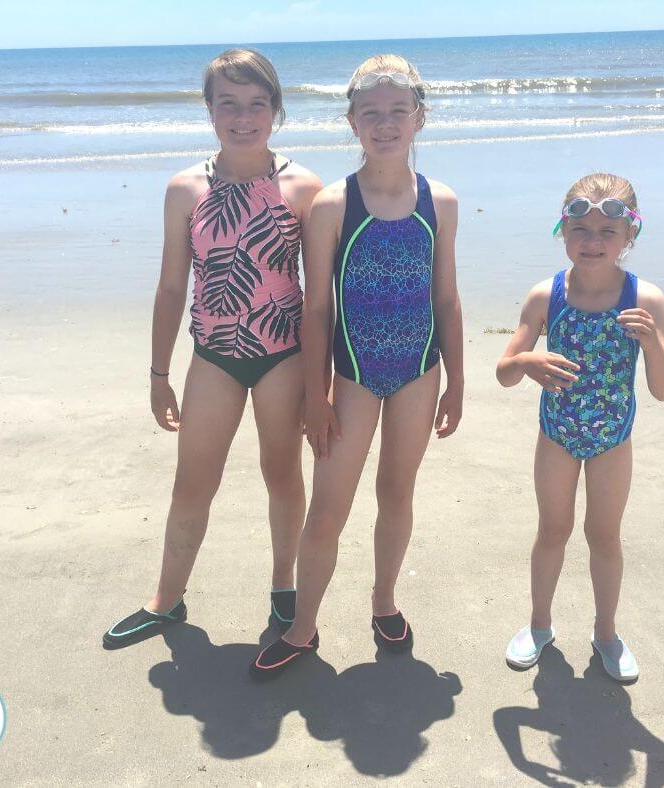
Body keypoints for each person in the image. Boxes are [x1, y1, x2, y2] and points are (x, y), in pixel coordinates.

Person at [252, 54, 464, 677]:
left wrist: (457, 381)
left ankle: (384, 601)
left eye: (399, 111)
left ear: (419, 118)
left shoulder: (441, 202)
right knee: (329, 507)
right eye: (371, 113)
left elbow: (446, 297)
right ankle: (303, 626)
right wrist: (314, 395)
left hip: (420, 372)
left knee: (397, 491)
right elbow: (316, 308)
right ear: (351, 122)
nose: (386, 123)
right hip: (351, 377)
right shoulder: (332, 205)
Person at [103, 49, 322, 649]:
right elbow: (173, 285)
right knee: (192, 483)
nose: (242, 116)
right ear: (209, 110)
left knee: (282, 474)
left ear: (277, 110)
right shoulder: (185, 189)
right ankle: (166, 598)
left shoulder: (304, 188)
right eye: (228, 103)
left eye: (256, 104)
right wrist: (157, 374)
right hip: (213, 357)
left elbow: (320, 297)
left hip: (283, 357)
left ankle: (284, 587)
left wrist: (320, 384)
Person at [496, 173, 664, 681]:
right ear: (562, 230)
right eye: (580, 229)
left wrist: (653, 345)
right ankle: (538, 624)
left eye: (607, 233)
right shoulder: (546, 295)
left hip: (612, 442)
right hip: (556, 436)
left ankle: (605, 632)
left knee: (604, 535)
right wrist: (529, 359)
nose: (592, 242)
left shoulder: (646, 300)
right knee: (552, 530)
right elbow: (505, 372)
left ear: (629, 238)